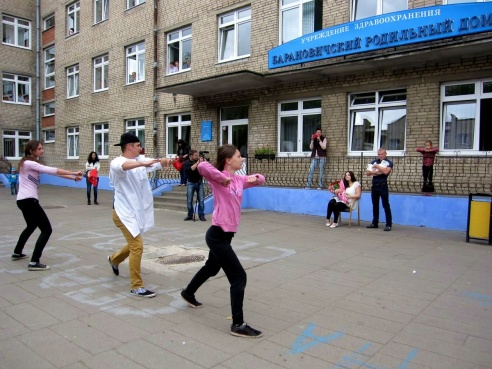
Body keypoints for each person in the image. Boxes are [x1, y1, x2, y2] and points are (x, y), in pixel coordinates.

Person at [180, 144, 265, 338]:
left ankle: (188, 293)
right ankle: (238, 324)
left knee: (212, 267)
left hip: (226, 235)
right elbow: (202, 167)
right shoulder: (219, 179)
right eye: (238, 156)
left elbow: (261, 179)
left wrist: (255, 177)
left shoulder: (239, 179)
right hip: (217, 235)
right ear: (228, 160)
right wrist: (222, 178)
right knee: (239, 276)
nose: (242, 158)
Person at [107, 132, 174, 298]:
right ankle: (136, 286)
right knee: (137, 246)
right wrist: (144, 163)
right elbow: (123, 167)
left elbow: (157, 164)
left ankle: (114, 259)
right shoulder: (117, 162)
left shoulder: (139, 161)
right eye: (137, 145)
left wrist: (169, 161)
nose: (140, 148)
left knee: (133, 244)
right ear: (129, 146)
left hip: (135, 212)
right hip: (123, 213)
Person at [12, 140, 83, 270]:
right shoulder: (28, 163)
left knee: (31, 226)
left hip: (22, 200)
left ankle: (17, 252)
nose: (42, 151)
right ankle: (34, 262)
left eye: (42, 148)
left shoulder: (29, 164)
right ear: (31, 151)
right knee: (47, 229)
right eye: (39, 149)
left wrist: (73, 178)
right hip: (29, 201)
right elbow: (52, 170)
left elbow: (55, 174)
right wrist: (73, 172)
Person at [366, 148, 393, 232]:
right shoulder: (373, 162)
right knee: (375, 205)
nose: (380, 156)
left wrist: (377, 167)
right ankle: (375, 223)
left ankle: (388, 224)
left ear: (385, 154)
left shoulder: (388, 163)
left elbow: (386, 172)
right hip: (374, 186)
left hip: (383, 186)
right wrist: (378, 172)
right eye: (379, 154)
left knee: (386, 205)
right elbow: (368, 173)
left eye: (382, 154)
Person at [183, 150, 206, 221]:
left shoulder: (199, 161)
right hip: (191, 183)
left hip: (199, 182)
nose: (197, 157)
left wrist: (204, 162)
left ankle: (201, 215)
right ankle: (190, 215)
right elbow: (191, 169)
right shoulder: (187, 162)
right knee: (189, 200)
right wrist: (197, 163)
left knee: (201, 200)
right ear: (191, 156)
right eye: (195, 155)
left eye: (197, 155)